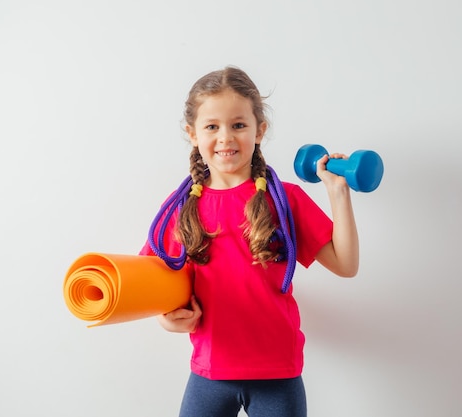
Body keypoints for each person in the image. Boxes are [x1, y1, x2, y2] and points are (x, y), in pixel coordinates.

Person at [140, 66, 359, 417]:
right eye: (212, 126)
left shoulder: (284, 199)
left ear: (260, 130)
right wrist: (166, 319)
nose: (225, 137)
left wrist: (338, 193)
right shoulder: (181, 207)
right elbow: (151, 284)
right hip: (209, 372)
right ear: (192, 134)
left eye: (238, 125)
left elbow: (346, 265)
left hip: (278, 375)